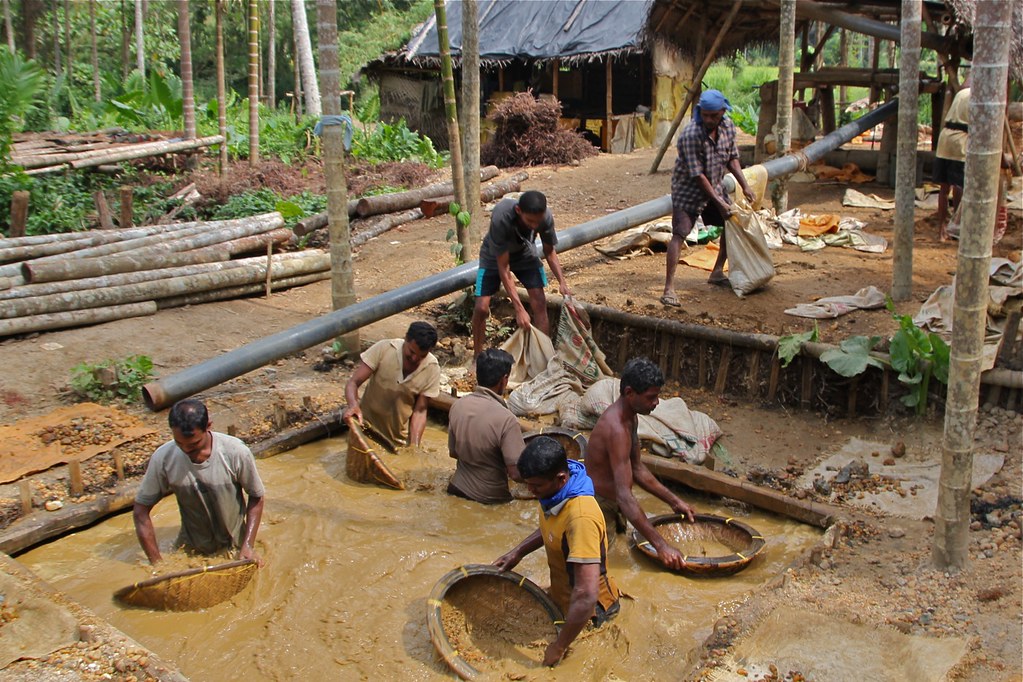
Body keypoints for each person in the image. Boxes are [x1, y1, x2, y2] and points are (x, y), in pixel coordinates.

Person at [494, 436, 622, 667]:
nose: (531, 491)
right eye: (528, 484)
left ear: (561, 478)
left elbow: (586, 595)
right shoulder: (555, 494)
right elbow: (553, 526)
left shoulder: (581, 517)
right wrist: (518, 552)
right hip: (562, 596)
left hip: (590, 614)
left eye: (536, 486)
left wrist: (559, 646)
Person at [584, 357, 696, 570]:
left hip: (614, 502)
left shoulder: (630, 417)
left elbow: (637, 468)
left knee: (620, 550)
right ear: (629, 393)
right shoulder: (616, 429)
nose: (656, 403)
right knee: (601, 567)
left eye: (657, 396)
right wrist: (662, 546)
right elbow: (624, 495)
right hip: (598, 506)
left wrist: (674, 501)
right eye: (651, 397)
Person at [133, 399, 265, 566]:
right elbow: (140, 511)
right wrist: (157, 564)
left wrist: (248, 545)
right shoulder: (164, 458)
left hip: (235, 548)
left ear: (208, 426)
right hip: (192, 550)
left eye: (194, 444)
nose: (186, 450)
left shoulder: (235, 452)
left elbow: (256, 497)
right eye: (179, 443)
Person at [663, 89, 756, 308]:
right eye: (704, 115)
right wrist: (719, 202)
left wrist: (745, 185)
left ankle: (716, 271)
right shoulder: (690, 135)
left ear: (723, 112)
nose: (708, 120)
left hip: (715, 185)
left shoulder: (728, 128)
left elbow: (732, 159)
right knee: (679, 233)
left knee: (729, 223)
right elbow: (697, 175)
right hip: (688, 189)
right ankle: (669, 288)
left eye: (713, 116)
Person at [472, 190, 571, 358]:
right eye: (530, 221)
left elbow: (549, 251)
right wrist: (518, 308)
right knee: (481, 307)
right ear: (518, 211)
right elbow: (504, 268)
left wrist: (562, 281)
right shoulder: (501, 217)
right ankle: (477, 356)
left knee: (540, 302)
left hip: (525, 253)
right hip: (494, 255)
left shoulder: (545, 218)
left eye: (537, 222)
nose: (534, 226)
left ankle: (543, 357)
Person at [342, 321, 440, 448]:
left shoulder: (432, 368)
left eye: (422, 356)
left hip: (396, 441)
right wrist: (353, 406)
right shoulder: (384, 348)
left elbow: (420, 411)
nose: (415, 358)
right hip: (364, 429)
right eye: (411, 352)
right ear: (406, 339)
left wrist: (414, 446)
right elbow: (353, 383)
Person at [447, 348, 525, 504]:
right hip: (489, 499)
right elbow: (516, 474)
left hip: (455, 489)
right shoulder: (507, 419)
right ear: (504, 380)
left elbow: (454, 452)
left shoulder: (458, 406)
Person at [934, 85, 970, 241]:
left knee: (943, 188)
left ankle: (941, 228)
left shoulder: (962, 93)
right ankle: (955, 226)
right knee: (958, 185)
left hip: (945, 139)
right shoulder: (979, 98)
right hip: (960, 140)